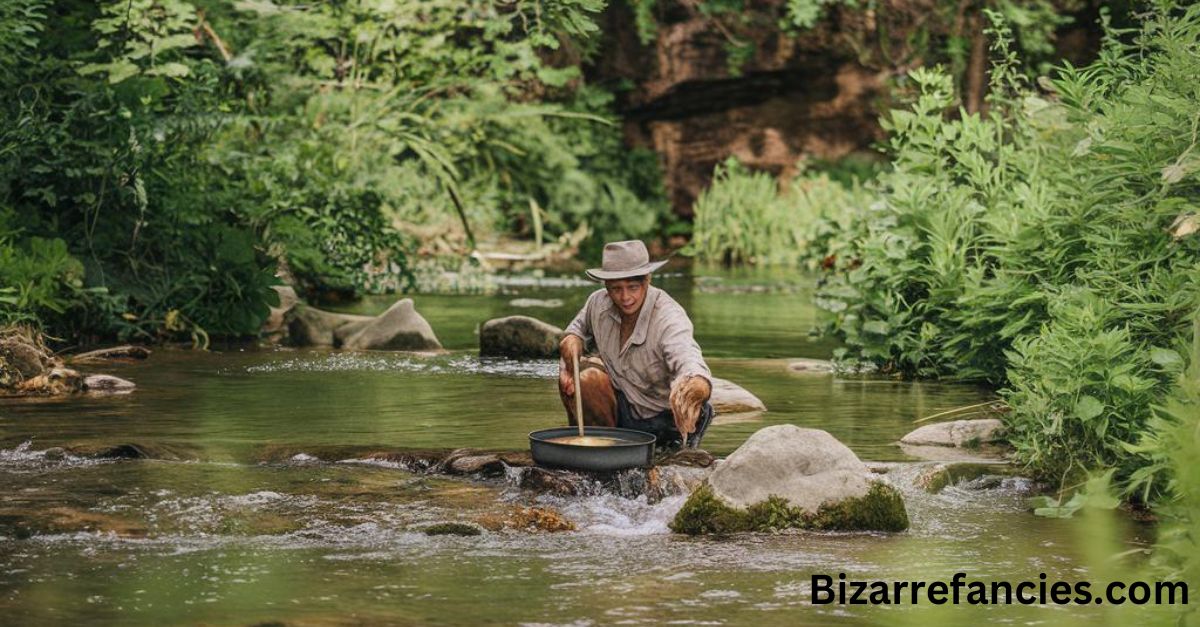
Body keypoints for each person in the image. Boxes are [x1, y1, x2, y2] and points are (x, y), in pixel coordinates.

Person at [559, 240, 715, 448]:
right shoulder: (597, 303)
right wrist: (571, 343)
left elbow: (688, 358)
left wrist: (696, 387)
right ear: (606, 286)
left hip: (666, 420)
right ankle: (600, 453)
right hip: (627, 410)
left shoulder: (668, 316)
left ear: (647, 281)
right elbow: (575, 331)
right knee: (587, 380)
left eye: (632, 287)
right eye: (616, 289)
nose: (625, 297)